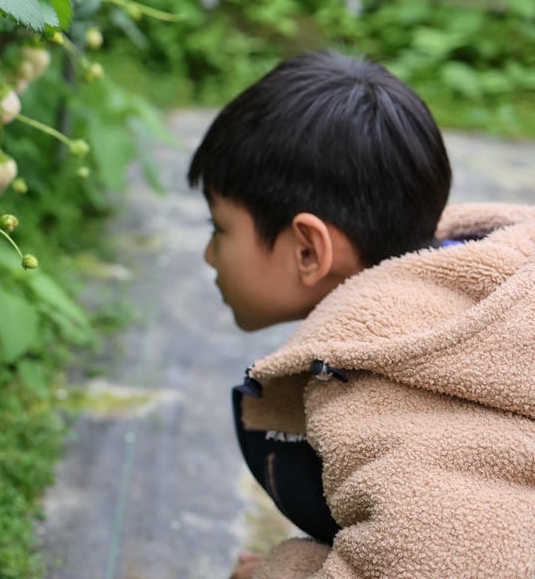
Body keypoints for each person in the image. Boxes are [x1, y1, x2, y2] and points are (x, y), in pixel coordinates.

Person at [186, 50, 535, 579]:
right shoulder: (463, 297)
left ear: (308, 250)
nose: (211, 254)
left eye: (219, 228)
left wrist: (287, 570)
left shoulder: (380, 403)